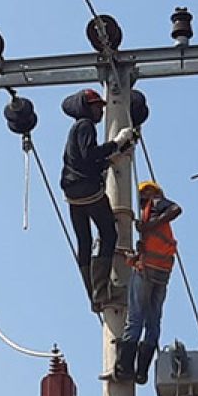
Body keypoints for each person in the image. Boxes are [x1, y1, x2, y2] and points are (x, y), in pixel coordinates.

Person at [60, 88, 137, 311]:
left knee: (84, 242)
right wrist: (117, 142)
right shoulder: (85, 126)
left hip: (73, 194)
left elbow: (84, 163)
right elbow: (90, 155)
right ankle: (101, 290)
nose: (101, 112)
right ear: (86, 108)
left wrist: (112, 159)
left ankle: (94, 295)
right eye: (97, 107)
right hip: (89, 192)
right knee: (108, 234)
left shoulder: (74, 131)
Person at [113, 180, 182, 384]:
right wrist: (133, 256)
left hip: (147, 271)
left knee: (135, 320)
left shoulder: (155, 204)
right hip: (161, 273)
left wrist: (149, 224)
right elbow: (153, 247)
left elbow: (177, 209)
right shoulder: (152, 225)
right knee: (152, 323)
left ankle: (125, 367)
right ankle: (141, 371)